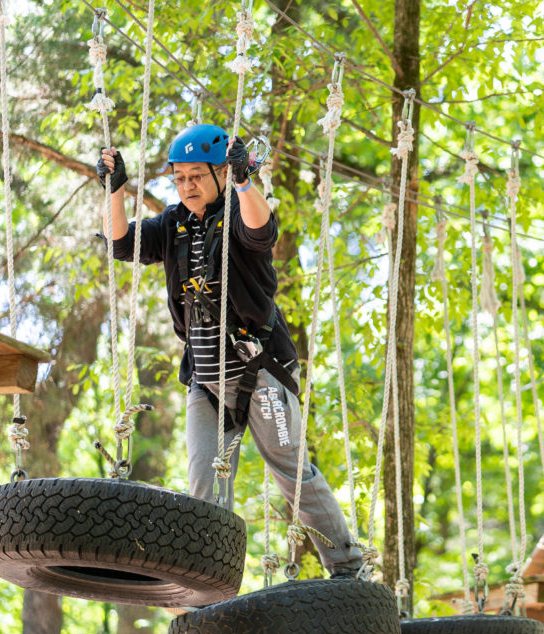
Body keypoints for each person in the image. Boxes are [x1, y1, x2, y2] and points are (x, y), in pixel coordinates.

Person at [98, 124, 362, 580]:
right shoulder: (173, 224)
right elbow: (122, 243)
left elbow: (262, 231)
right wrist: (116, 190)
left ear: (220, 173)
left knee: (289, 471)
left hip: (259, 369)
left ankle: (347, 567)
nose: (187, 186)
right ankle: (208, 577)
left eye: (197, 176)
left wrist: (243, 181)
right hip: (205, 375)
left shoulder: (239, 215)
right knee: (204, 482)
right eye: (179, 178)